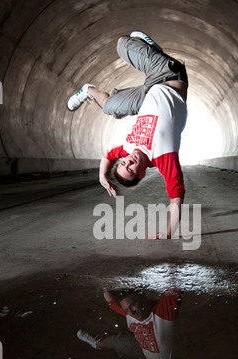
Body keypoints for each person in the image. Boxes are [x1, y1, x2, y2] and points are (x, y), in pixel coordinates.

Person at [68, 32, 188, 239]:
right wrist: (169, 233)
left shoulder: (127, 149)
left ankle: (88, 91)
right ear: (141, 174)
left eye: (124, 164)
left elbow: (109, 156)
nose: (128, 162)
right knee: (123, 42)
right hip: (167, 76)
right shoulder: (163, 157)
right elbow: (176, 195)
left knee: (109, 105)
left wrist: (102, 176)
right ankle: (154, 50)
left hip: (146, 95)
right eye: (131, 169)